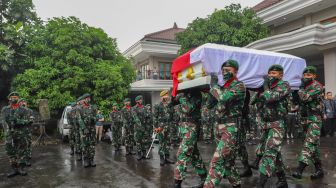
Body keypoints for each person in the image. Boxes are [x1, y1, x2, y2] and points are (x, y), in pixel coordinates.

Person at [203, 60, 246, 188]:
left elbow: (223, 98)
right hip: (219, 127)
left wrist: (214, 87)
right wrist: (210, 90)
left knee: (217, 160)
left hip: (231, 127)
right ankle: (237, 184)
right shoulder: (221, 88)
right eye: (223, 71)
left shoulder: (239, 86)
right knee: (227, 162)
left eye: (228, 70)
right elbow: (209, 105)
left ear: (236, 71)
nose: (225, 72)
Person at [252, 65, 290, 188]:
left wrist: (265, 88)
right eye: (270, 73)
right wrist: (259, 91)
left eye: (274, 73)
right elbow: (254, 102)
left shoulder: (284, 85)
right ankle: (282, 181)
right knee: (275, 155)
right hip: (267, 125)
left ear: (281, 75)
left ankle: (260, 184)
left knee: (269, 154)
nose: (271, 75)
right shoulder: (266, 87)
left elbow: (272, 97)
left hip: (277, 124)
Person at [292, 66, 324, 180]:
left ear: (314, 76)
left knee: (308, 144)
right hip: (304, 120)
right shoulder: (304, 87)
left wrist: (299, 89)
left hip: (315, 119)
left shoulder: (318, 86)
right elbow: (298, 104)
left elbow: (305, 98)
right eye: (305, 75)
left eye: (309, 75)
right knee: (312, 147)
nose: (306, 77)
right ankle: (319, 169)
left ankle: (300, 169)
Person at [173, 93, 207, 188]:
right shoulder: (184, 94)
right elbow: (171, 104)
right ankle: (204, 177)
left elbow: (188, 109)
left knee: (182, 154)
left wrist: (181, 98)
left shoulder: (196, 95)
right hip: (184, 128)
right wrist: (174, 97)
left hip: (192, 128)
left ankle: (177, 183)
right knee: (194, 155)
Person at [1, 92, 31, 177]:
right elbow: (2, 120)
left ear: (18, 98)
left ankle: (21, 168)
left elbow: (29, 121)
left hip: (21, 133)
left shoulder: (24, 109)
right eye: (12, 97)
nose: (14, 98)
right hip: (9, 134)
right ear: (9, 98)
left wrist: (18, 121)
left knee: (22, 150)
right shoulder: (5, 109)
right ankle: (14, 169)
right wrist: (7, 129)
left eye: (16, 97)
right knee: (10, 151)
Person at [153, 90, 174, 166]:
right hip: (160, 127)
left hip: (168, 126)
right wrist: (155, 127)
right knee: (162, 143)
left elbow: (172, 114)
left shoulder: (169, 105)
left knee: (168, 142)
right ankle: (162, 158)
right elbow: (155, 117)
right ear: (162, 96)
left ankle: (167, 157)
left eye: (167, 95)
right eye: (165, 95)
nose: (167, 96)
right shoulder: (157, 105)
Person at [77, 93, 97, 168]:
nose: (88, 99)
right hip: (84, 130)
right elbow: (79, 119)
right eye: (87, 98)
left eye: (89, 98)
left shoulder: (93, 107)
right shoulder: (79, 108)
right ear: (84, 100)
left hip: (92, 129)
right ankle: (86, 160)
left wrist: (93, 119)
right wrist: (84, 128)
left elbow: (96, 117)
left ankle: (91, 159)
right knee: (85, 145)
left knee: (92, 145)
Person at [19, 98, 34, 167]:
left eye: (24, 102)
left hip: (28, 131)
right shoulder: (17, 111)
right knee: (21, 145)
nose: (23, 103)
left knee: (28, 144)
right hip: (20, 131)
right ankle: (22, 159)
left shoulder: (30, 111)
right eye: (21, 102)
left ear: (26, 103)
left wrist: (24, 122)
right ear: (19, 103)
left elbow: (31, 120)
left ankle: (27, 158)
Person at [132, 95, 147, 160]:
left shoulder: (144, 107)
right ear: (136, 101)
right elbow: (135, 117)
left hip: (144, 127)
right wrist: (140, 125)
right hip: (138, 127)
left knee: (144, 141)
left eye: (141, 99)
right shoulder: (134, 108)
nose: (141, 100)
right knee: (138, 141)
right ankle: (139, 154)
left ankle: (144, 154)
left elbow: (147, 117)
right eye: (139, 100)